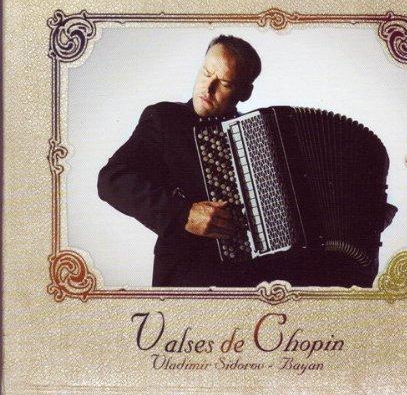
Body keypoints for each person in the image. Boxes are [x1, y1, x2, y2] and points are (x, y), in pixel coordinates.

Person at [98, 35, 379, 287]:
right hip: (191, 279)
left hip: (258, 285)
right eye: (206, 73)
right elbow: (112, 180)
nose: (208, 88)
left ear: (245, 92)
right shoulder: (165, 119)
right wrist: (183, 214)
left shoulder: (262, 135)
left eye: (225, 83)